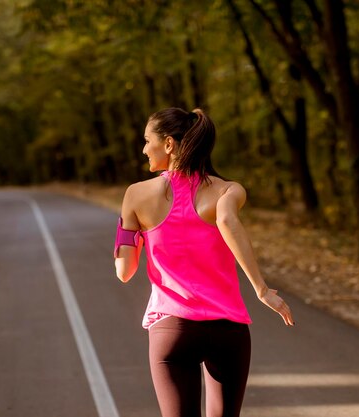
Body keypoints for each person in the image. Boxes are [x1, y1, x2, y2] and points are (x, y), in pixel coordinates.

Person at [114, 107, 294, 417]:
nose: (144, 149)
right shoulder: (228, 189)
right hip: (228, 330)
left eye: (147, 140)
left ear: (168, 144)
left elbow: (124, 272)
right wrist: (261, 289)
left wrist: (135, 230)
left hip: (173, 330)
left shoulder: (136, 195)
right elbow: (226, 220)